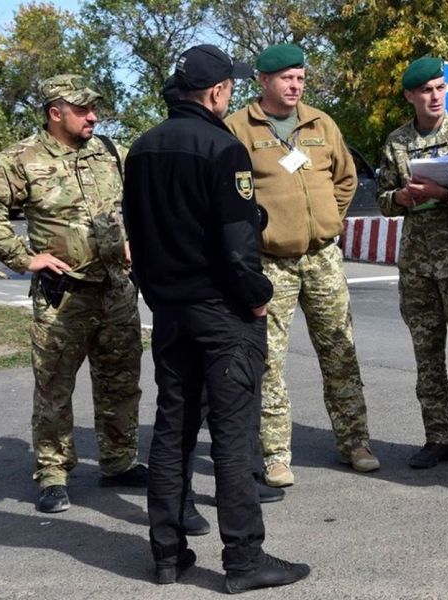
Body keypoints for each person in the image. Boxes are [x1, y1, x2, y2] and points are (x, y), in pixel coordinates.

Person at [123, 44, 309, 591]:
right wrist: (256, 295)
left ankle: (166, 555)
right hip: (222, 312)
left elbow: (137, 235)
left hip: (170, 311)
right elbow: (236, 246)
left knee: (171, 429)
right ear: (217, 92)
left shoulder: (142, 148)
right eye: (230, 87)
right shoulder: (222, 149)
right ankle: (244, 563)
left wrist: (157, 295)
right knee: (232, 435)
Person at [0, 74, 147, 514]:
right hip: (63, 296)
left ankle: (119, 460)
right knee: (54, 386)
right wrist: (23, 257)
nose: (93, 117)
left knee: (121, 382)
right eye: (83, 109)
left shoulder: (109, 152)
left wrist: (135, 239)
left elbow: (145, 196)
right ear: (56, 112)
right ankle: (53, 472)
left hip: (117, 289)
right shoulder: (22, 159)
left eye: (95, 109)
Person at [225, 44, 379, 488]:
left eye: (300, 78)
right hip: (271, 262)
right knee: (269, 362)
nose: (295, 86)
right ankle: (274, 455)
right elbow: (231, 195)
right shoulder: (239, 127)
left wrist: (329, 216)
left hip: (323, 257)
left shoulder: (319, 123)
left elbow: (346, 177)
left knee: (340, 351)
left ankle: (355, 442)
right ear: (264, 81)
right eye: (286, 78)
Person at [376, 57, 448, 470]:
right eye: (425, 90)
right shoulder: (396, 142)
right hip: (418, 265)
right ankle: (437, 437)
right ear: (410, 96)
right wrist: (402, 198)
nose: (434, 97)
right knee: (427, 355)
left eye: (440, 88)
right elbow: (383, 198)